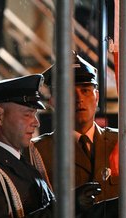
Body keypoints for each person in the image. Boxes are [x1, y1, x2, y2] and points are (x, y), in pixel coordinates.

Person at [0, 74, 119, 218]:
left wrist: (118, 209)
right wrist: (63, 209)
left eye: (34, 113)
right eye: (28, 114)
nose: (36, 122)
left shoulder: (19, 163)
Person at [30, 52, 119, 202]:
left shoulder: (122, 144)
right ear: (53, 102)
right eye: (70, 93)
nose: (79, 99)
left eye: (85, 91)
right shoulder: (37, 153)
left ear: (96, 97)